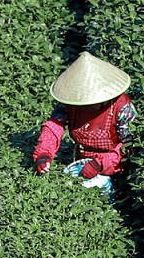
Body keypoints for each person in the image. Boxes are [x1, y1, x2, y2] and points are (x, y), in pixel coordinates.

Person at [31, 51, 135, 191]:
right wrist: (44, 154)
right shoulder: (71, 101)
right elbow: (54, 126)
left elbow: (128, 146)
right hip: (81, 161)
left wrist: (100, 164)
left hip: (115, 166)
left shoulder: (122, 107)